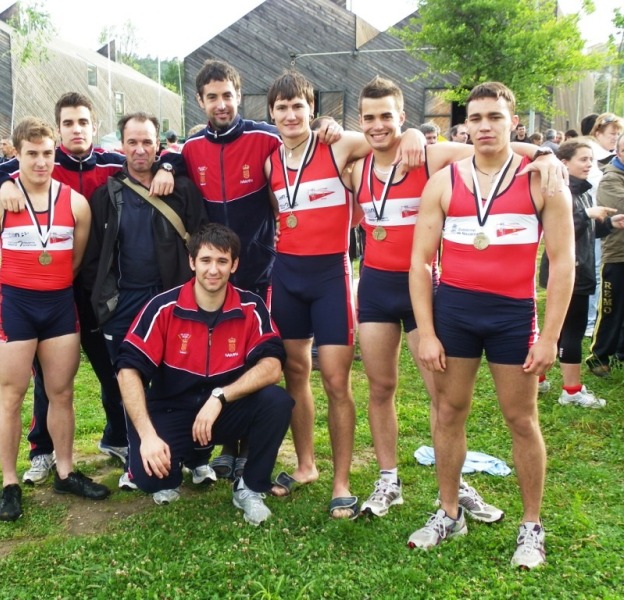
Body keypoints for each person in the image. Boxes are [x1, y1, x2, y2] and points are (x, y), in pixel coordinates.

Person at [350, 76, 563, 520]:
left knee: (442, 399)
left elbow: (492, 150)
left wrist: (544, 154)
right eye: (369, 117)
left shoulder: (432, 157)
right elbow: (330, 140)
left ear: (403, 117)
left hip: (426, 291)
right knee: (380, 386)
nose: (378, 125)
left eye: (388, 116)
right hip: (374, 287)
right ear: (360, 121)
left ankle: (456, 483)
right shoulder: (356, 166)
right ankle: (388, 478)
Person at [0, 92, 178, 485]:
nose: (76, 129)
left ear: (94, 127)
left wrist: (165, 164)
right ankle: (41, 450)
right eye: (68, 123)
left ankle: (117, 437)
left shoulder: (113, 161)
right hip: (38, 294)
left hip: (95, 291)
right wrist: (1, 182)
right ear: (58, 127)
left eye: (83, 122)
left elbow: (155, 157)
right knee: (46, 381)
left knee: (113, 368)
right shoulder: (42, 158)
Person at [407, 82, 574, 569]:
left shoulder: (541, 179)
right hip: (454, 312)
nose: (483, 126)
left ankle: (531, 526)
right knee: (449, 412)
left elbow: (563, 264)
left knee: (521, 420)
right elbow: (420, 263)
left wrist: (550, 338)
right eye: (475, 118)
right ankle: (448, 511)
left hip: (512, 315)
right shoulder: (445, 181)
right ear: (464, 126)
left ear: (512, 123)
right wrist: (428, 330)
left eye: (494, 118)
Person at [263, 70, 427, 519]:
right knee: (295, 374)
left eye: (299, 105)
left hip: (330, 278)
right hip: (288, 277)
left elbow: (384, 137)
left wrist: (412, 129)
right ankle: (305, 466)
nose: (291, 114)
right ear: (271, 114)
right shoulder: (269, 161)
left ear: (312, 109)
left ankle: (341, 480)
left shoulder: (338, 145)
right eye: (282, 107)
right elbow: (282, 211)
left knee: (336, 380)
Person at [181, 60, 344, 480]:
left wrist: (328, 122)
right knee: (221, 357)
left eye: (228, 95)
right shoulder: (190, 148)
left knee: (258, 358)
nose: (221, 104)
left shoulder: (266, 136)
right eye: (212, 97)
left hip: (263, 270)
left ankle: (250, 442)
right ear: (200, 101)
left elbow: (301, 135)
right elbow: (171, 168)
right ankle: (228, 445)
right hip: (216, 274)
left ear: (240, 95)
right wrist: (164, 166)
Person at [0, 116, 107, 521]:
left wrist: (50, 286)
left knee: (62, 392)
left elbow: (76, 258)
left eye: (48, 153)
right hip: (15, 307)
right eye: (32, 154)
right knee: (11, 395)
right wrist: (6, 297)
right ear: (17, 153)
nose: (41, 162)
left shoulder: (76, 203)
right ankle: (11, 482)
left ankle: (65, 470)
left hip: (58, 307)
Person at [116, 223, 294, 524]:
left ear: (234, 265)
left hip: (222, 411)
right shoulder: (162, 308)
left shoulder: (251, 306)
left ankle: (249, 488)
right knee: (152, 482)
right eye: (206, 260)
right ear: (192, 262)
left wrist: (220, 397)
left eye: (222, 261)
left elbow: (272, 367)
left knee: (277, 402)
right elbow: (127, 371)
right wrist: (147, 436)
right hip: (173, 410)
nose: (214, 270)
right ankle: (184, 458)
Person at [83, 112, 208, 488]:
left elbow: (202, 242)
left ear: (159, 145)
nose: (140, 150)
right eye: (132, 142)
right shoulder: (105, 195)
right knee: (131, 384)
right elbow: (93, 261)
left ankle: (195, 457)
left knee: (184, 380)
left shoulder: (182, 189)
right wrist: (106, 306)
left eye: (147, 142)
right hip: (125, 308)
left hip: (174, 303)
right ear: (120, 146)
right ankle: (140, 461)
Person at [538, 140, 623, 403]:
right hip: (568, 272)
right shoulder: (560, 191)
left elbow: (583, 232)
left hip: (579, 269)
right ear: (564, 163)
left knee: (558, 329)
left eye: (591, 160)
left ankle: (538, 379)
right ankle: (571, 391)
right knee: (571, 330)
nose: (589, 165)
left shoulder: (583, 190)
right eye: (583, 160)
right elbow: (556, 227)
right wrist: (587, 213)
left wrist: (609, 224)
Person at [586, 132, 624, 378]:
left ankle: (620, 353)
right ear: (620, 152)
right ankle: (598, 356)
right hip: (617, 254)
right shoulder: (611, 178)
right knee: (611, 308)